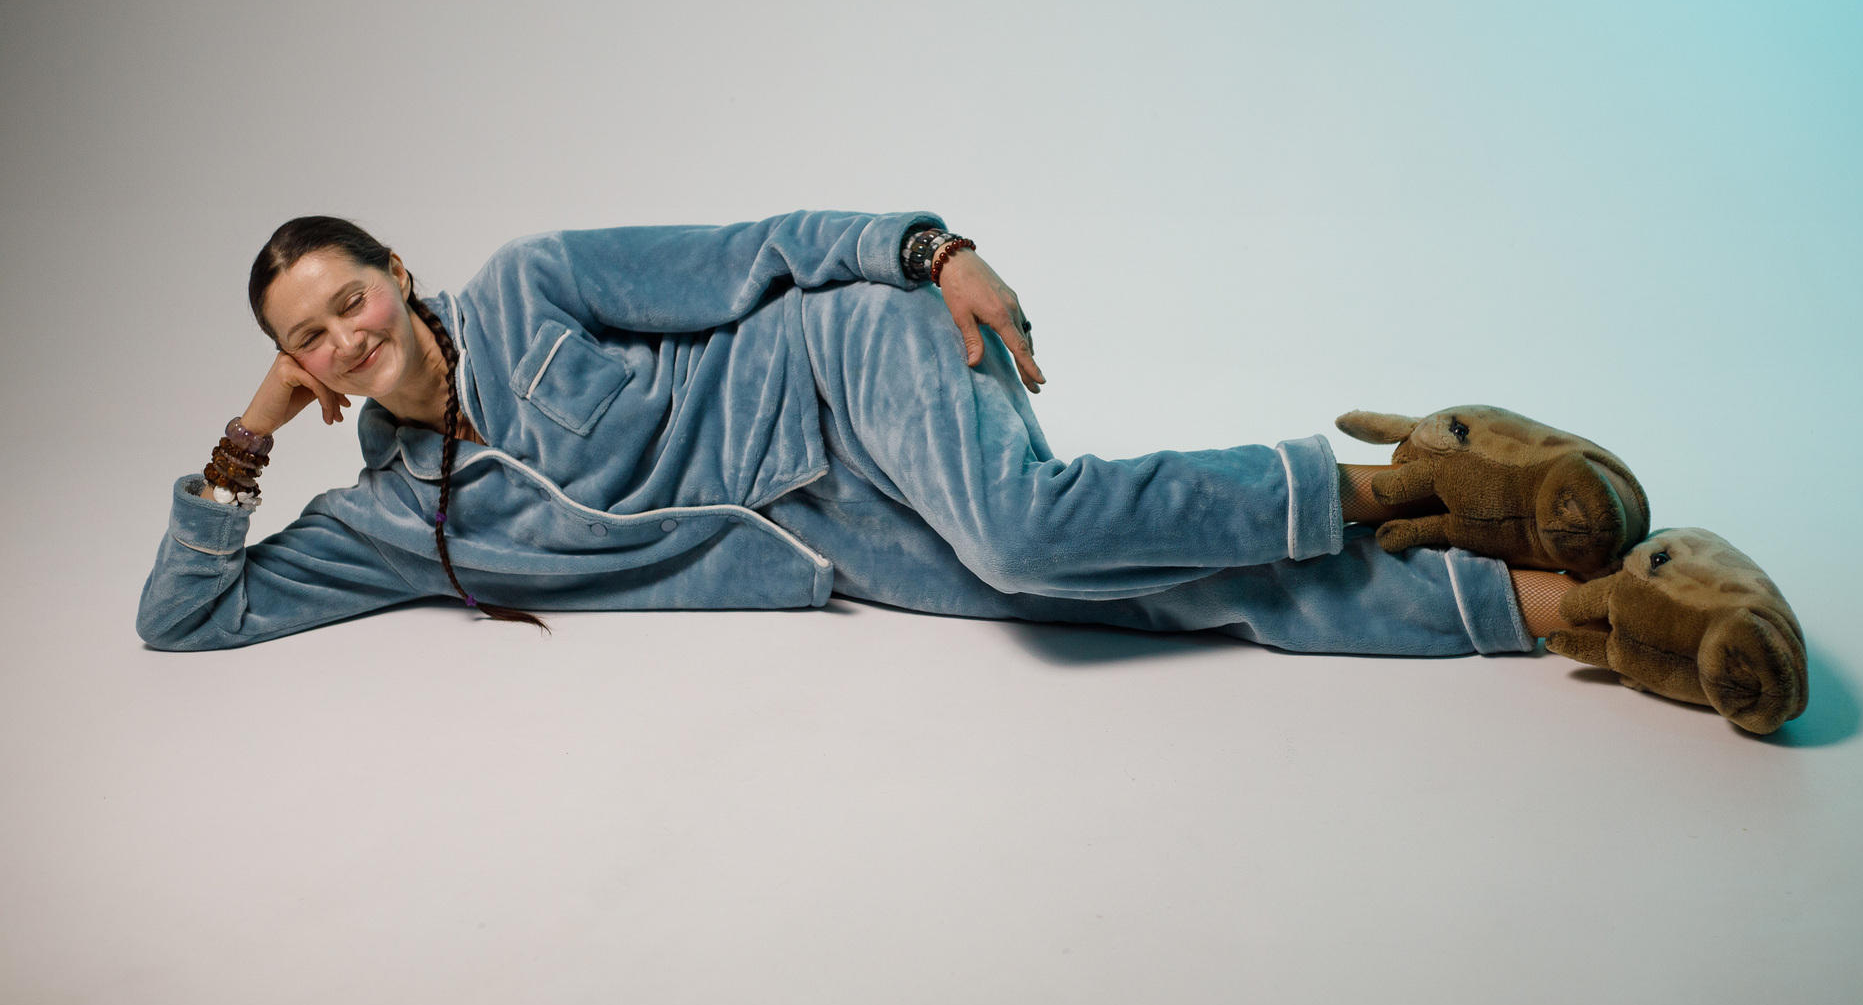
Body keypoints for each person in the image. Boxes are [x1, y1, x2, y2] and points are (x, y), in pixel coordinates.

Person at [136, 208, 1586, 659]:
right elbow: (188, 615)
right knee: (1118, 593)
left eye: (350, 298)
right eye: (305, 339)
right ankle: (1544, 601)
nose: (345, 338)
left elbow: (751, 253)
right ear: (298, 370)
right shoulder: (402, 522)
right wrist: (245, 441)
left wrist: (929, 250)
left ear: (395, 272)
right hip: (824, 533)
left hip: (843, 361)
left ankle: (1424, 480)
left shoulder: (527, 286)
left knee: (1028, 529)